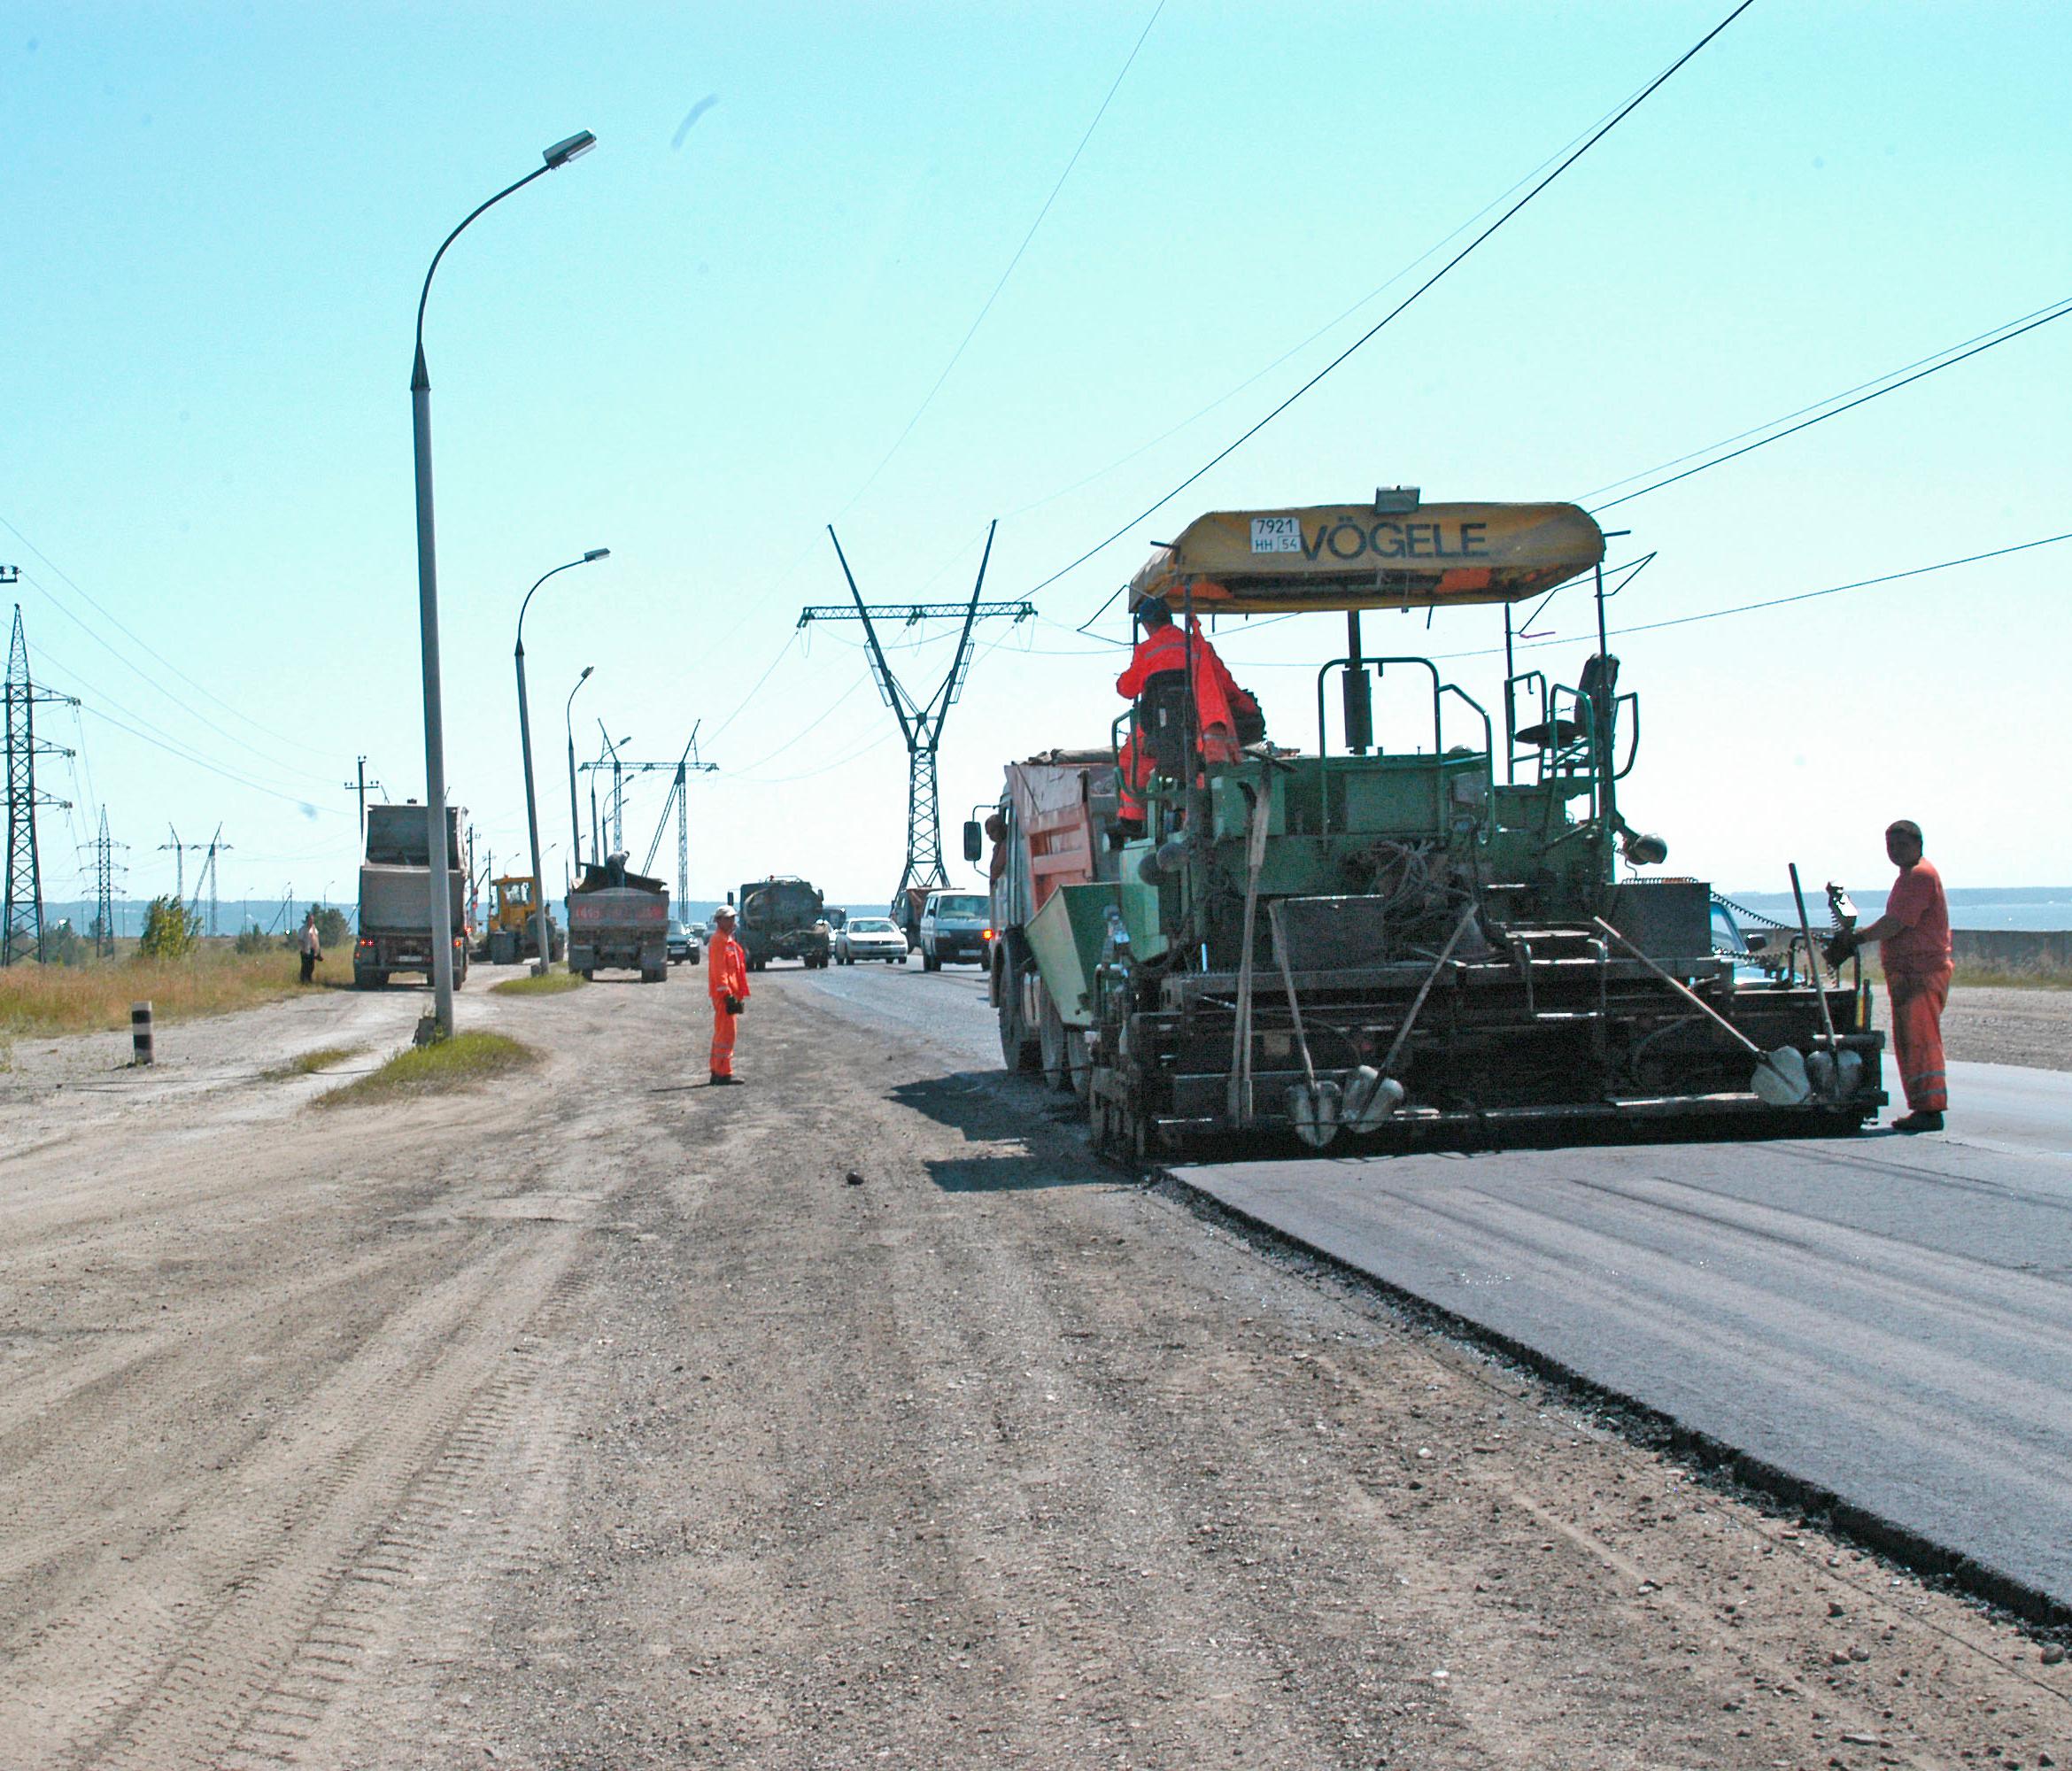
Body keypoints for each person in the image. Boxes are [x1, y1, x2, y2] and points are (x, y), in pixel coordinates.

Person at [1831, 819, 1950, 1133]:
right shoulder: (1908, 877)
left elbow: (1896, 922)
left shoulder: (1919, 876)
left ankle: (1930, 1109)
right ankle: (1923, 1107)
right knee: (1910, 1042)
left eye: (1901, 845)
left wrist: (1857, 938)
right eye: (1891, 846)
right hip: (1908, 973)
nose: (1895, 851)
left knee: (1921, 1042)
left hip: (1921, 972)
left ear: (1918, 845)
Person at [1113, 597, 1261, 831]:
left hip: (1162, 732)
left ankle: (1133, 819)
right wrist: (1246, 707)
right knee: (1200, 764)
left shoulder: (1147, 651)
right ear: (1169, 618)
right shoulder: (1198, 646)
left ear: (1146, 625)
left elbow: (1127, 689)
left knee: (1132, 757)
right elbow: (1224, 684)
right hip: (1204, 729)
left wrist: (1121, 681)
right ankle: (1198, 810)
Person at [706, 903, 750, 1086]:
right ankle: (722, 1073)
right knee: (725, 1035)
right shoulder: (719, 940)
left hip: (730, 994)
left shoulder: (728, 940)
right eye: (728, 918)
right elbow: (719, 970)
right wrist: (726, 994)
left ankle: (720, 1071)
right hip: (725, 995)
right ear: (719, 921)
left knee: (726, 1034)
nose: (732, 922)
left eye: (733, 918)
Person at [298, 911, 321, 985]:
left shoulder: (314, 928)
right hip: (305, 950)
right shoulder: (303, 929)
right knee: (305, 966)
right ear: (307, 920)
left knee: (311, 966)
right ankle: (303, 980)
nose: (311, 921)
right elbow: (300, 940)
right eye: (310, 920)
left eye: (312, 919)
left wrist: (318, 950)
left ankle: (309, 979)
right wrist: (303, 949)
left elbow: (316, 938)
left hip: (312, 950)